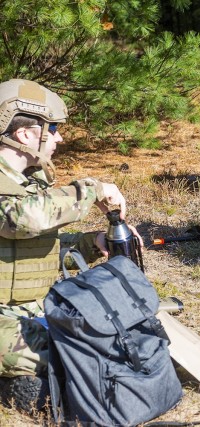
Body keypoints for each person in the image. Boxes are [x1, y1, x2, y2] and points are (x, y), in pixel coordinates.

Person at [0, 79, 138, 413]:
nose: (60, 138)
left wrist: (95, 243)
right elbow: (21, 219)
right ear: (25, 134)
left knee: (112, 338)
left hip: (34, 307)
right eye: (55, 128)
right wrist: (92, 189)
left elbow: (37, 245)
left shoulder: (27, 183)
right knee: (68, 354)